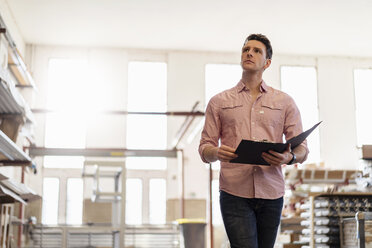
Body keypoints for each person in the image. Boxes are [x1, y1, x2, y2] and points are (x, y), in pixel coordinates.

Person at [198, 34, 309, 248]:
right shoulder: (219, 101)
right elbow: (204, 148)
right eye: (246, 49)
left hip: (272, 192)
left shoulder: (285, 102)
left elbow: (302, 148)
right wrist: (216, 152)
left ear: (267, 63)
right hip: (234, 192)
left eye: (257, 50)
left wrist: (290, 157)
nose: (249, 52)